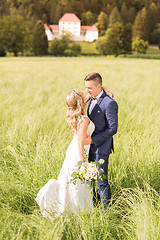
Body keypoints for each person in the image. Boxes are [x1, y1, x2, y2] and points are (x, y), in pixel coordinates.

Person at [35, 86, 115, 218]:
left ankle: (72, 207)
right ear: (80, 101)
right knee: (76, 183)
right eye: (83, 95)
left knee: (69, 180)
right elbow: (80, 142)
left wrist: (101, 89)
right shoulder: (84, 120)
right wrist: (82, 161)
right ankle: (78, 210)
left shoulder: (76, 115)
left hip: (72, 150)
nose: (86, 95)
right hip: (78, 152)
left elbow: (89, 98)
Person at [84, 72, 118, 210]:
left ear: (99, 86)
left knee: (101, 182)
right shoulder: (91, 98)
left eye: (90, 88)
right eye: (86, 87)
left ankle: (107, 213)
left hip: (101, 148)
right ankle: (94, 207)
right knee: (91, 180)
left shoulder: (109, 103)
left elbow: (112, 129)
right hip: (89, 148)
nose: (87, 91)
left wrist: (92, 140)